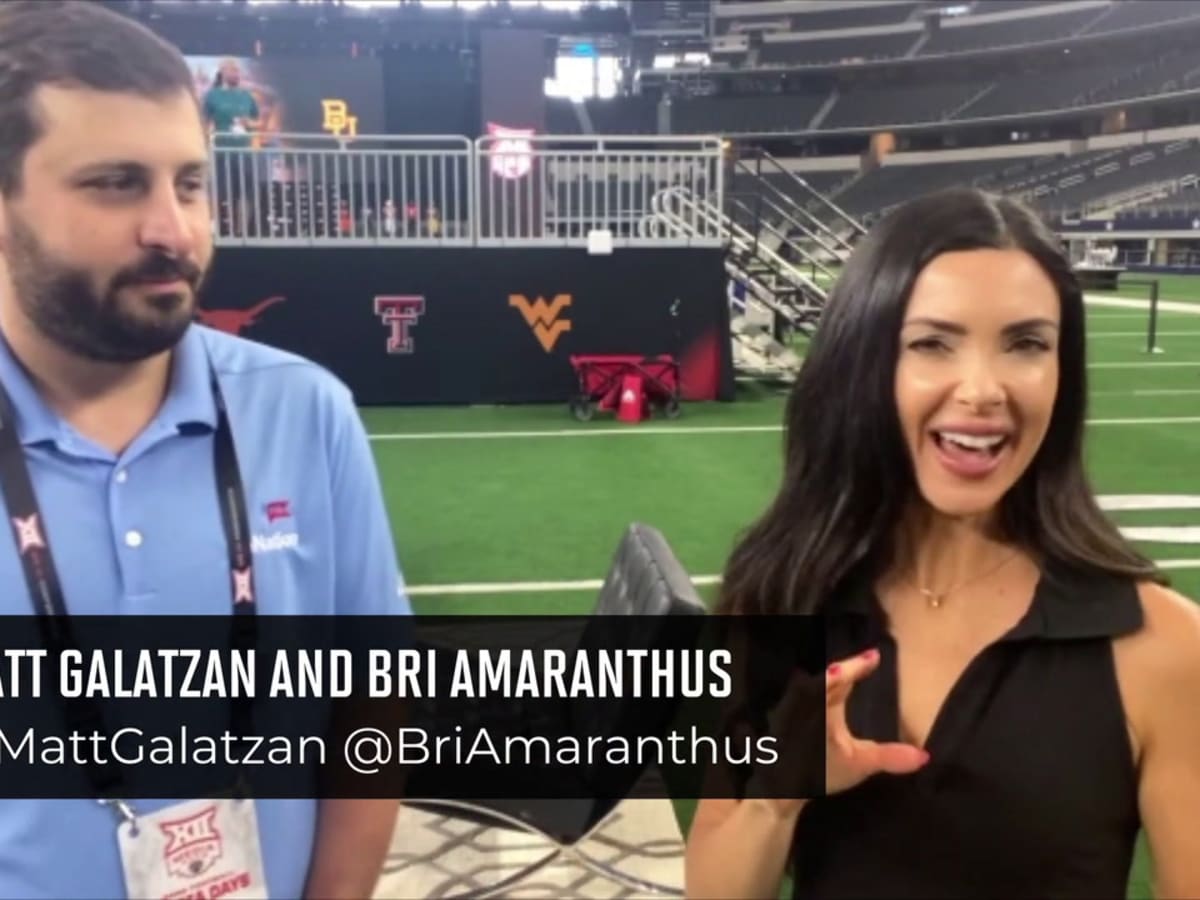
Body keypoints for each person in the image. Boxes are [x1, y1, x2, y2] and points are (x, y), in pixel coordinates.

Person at [685, 188, 1200, 898]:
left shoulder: (1165, 649)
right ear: (865, 364)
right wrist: (778, 797)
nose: (982, 390)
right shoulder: (785, 593)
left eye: (1026, 344)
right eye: (932, 343)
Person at [0, 3, 408, 898]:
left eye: (189, 183)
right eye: (116, 183)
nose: (173, 229)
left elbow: (369, 710)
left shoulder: (305, 412)